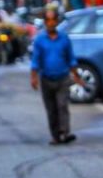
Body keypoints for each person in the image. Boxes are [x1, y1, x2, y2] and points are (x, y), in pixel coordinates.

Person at [30, 9, 86, 145]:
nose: (50, 23)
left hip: (62, 78)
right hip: (47, 79)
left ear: (56, 21)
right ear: (44, 22)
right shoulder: (40, 40)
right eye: (48, 20)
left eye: (53, 20)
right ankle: (55, 136)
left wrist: (76, 75)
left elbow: (71, 59)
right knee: (51, 109)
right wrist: (34, 77)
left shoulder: (64, 39)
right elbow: (36, 60)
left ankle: (65, 132)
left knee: (62, 105)